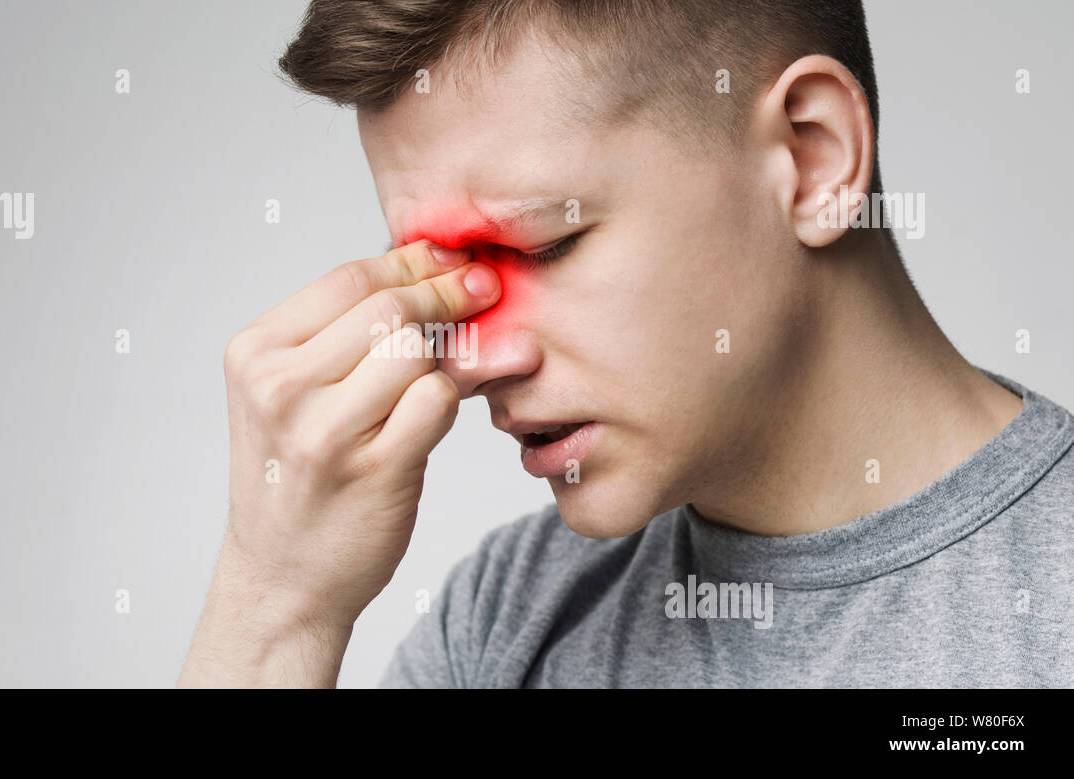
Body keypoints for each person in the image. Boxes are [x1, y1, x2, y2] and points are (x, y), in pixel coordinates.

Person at [178, 0, 1074, 688]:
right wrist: (273, 610)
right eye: (440, 275)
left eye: (543, 245)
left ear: (813, 157)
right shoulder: (502, 621)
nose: (470, 359)